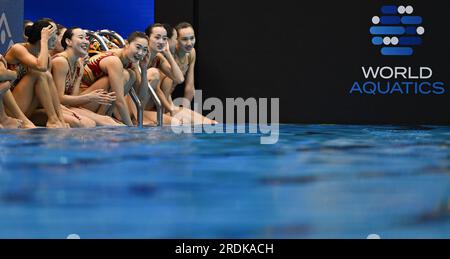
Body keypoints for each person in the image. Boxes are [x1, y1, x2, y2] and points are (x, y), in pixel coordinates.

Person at [146, 23, 216, 125]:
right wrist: (170, 109)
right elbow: (158, 87)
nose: (189, 43)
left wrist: (184, 110)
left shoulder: (191, 53)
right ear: (176, 40)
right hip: (155, 103)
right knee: (179, 122)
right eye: (184, 39)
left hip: (166, 103)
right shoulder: (161, 56)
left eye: (192, 38)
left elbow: (188, 85)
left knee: (210, 123)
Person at [4, 19, 69, 128]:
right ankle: (53, 119)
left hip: (28, 107)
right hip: (10, 109)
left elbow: (50, 87)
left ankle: (55, 119)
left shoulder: (46, 57)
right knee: (38, 73)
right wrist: (44, 41)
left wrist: (61, 119)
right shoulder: (18, 48)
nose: (55, 41)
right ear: (42, 39)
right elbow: (41, 66)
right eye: (52, 38)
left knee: (47, 75)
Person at [52, 27, 121, 126]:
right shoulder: (61, 61)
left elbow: (73, 98)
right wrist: (89, 97)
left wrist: (79, 76)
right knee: (88, 123)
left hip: (64, 106)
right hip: (49, 108)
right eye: (81, 37)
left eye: (86, 38)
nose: (86, 42)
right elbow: (59, 98)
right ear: (68, 41)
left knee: (108, 120)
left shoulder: (77, 63)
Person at [81, 31, 150, 126]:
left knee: (131, 75)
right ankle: (102, 117)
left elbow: (141, 96)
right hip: (83, 100)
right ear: (126, 44)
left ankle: (105, 116)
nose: (140, 53)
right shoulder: (114, 61)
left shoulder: (131, 62)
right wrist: (131, 129)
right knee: (125, 75)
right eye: (138, 47)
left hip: (97, 99)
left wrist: (144, 69)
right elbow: (119, 100)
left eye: (145, 50)